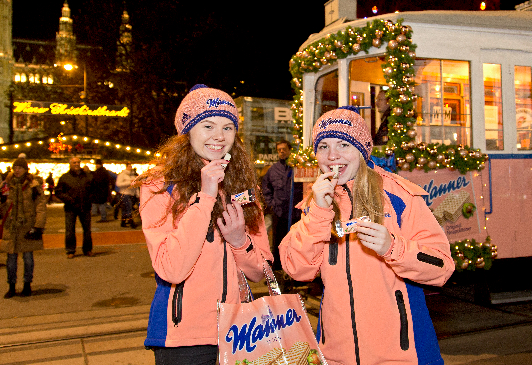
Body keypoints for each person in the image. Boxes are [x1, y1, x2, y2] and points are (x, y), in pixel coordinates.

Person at [279, 106, 455, 364]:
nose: (332, 156)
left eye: (343, 145)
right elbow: (297, 269)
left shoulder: (399, 196)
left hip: (401, 355)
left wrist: (393, 248)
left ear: (361, 151)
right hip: (336, 355)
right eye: (323, 146)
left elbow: (442, 266)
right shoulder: (315, 201)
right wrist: (318, 212)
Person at [136, 84, 273, 365]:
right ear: (187, 132)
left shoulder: (244, 187)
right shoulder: (159, 186)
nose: (219, 137)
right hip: (183, 338)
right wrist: (206, 196)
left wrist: (239, 242)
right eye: (207, 126)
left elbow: (262, 271)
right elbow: (171, 268)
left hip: (241, 332)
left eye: (228, 128)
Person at [0, 157, 47, 298]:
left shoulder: (33, 185)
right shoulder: (7, 184)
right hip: (12, 226)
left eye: (20, 168)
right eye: (15, 168)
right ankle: (11, 286)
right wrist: (1, 200)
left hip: (27, 226)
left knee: (28, 258)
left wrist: (38, 226)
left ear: (25, 170)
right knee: (11, 260)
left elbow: (40, 206)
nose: (17, 170)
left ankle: (27, 284)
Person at [260, 140, 302, 270]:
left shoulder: (297, 167)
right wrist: (271, 203)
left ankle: (294, 267)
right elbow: (266, 188)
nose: (281, 152)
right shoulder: (273, 170)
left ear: (289, 150)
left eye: (284, 149)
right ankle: (278, 268)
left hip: (295, 213)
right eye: (279, 150)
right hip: (279, 212)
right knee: (278, 241)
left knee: (295, 241)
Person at [54, 156, 92, 258]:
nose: (76, 164)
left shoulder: (87, 176)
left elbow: (93, 189)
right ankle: (70, 250)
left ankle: (87, 249)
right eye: (74, 162)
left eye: (78, 162)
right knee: (70, 230)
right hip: (71, 207)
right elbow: (58, 192)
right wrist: (68, 199)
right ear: (70, 164)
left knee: (87, 230)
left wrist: (89, 199)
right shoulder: (65, 177)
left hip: (85, 206)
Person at [115, 162, 138, 228]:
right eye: (129, 166)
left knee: (125, 208)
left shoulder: (132, 175)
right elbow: (118, 184)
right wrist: (129, 182)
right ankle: (131, 222)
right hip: (125, 193)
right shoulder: (122, 175)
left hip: (131, 193)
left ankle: (123, 222)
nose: (130, 167)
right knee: (128, 208)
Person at [90, 159, 112, 223]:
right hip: (103, 191)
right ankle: (106, 213)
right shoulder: (104, 171)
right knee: (102, 204)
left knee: (101, 205)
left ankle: (103, 217)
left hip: (100, 191)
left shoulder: (99, 172)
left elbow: (97, 182)